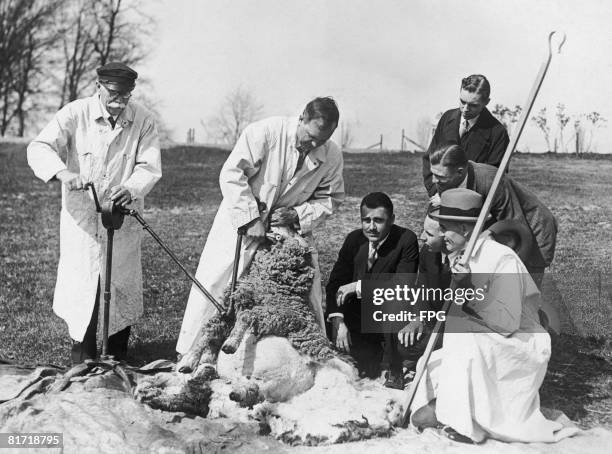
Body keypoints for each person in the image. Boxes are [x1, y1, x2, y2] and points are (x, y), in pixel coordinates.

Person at [176, 97, 345, 356]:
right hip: (243, 221)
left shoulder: (331, 154)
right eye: (310, 137)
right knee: (220, 281)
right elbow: (232, 174)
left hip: (288, 231)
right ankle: (193, 351)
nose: (314, 145)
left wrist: (298, 214)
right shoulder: (265, 132)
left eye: (321, 141)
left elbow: (330, 198)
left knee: (302, 290)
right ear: (301, 118)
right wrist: (251, 218)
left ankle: (299, 355)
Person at [410, 188, 577, 444]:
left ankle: (465, 424)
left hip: (519, 342)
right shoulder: (461, 258)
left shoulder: (501, 259)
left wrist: (466, 288)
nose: (440, 235)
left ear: (466, 230)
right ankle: (447, 407)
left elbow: (506, 323)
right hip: (482, 340)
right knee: (430, 361)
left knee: (463, 341)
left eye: (445, 228)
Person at [27, 62, 162, 364]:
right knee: (84, 283)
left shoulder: (144, 120)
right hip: (84, 218)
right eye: (114, 94)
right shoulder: (75, 113)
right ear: (98, 86)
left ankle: (117, 356)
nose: (119, 101)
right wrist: (62, 173)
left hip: (121, 216)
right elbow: (39, 147)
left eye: (126, 95)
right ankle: (84, 356)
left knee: (121, 282)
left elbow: (149, 166)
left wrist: (131, 187)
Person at [325, 192, 419, 385]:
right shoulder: (354, 239)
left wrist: (358, 286)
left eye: (378, 220)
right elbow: (335, 282)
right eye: (366, 220)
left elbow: (402, 286)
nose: (371, 227)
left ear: (392, 219)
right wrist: (338, 319)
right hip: (355, 319)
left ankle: (393, 369)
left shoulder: (406, 240)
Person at [422, 74, 510, 205]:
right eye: (462, 102)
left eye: (473, 105)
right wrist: (437, 192)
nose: (465, 109)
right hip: (438, 200)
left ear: (486, 102)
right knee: (431, 226)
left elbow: (493, 180)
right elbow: (430, 158)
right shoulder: (447, 118)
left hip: (474, 208)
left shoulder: (498, 133)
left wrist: (454, 198)